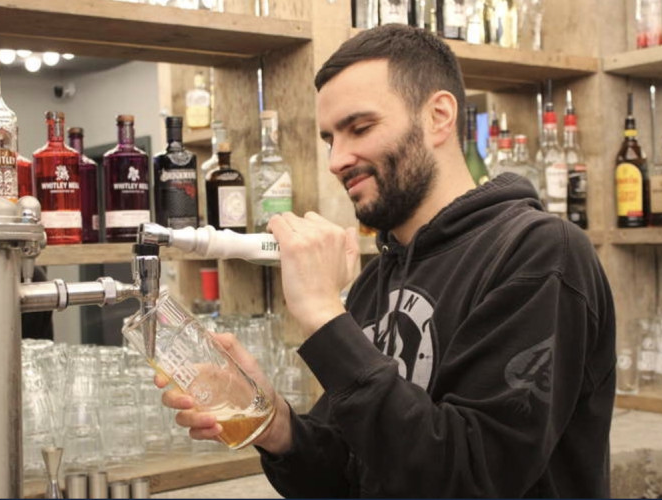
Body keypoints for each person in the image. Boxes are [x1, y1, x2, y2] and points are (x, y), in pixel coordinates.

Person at [159, 24, 616, 498]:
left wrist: (321, 313)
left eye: (359, 128)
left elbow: (470, 481)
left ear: (439, 116)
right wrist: (274, 423)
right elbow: (350, 474)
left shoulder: (539, 254)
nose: (337, 159)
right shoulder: (378, 278)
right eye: (329, 139)